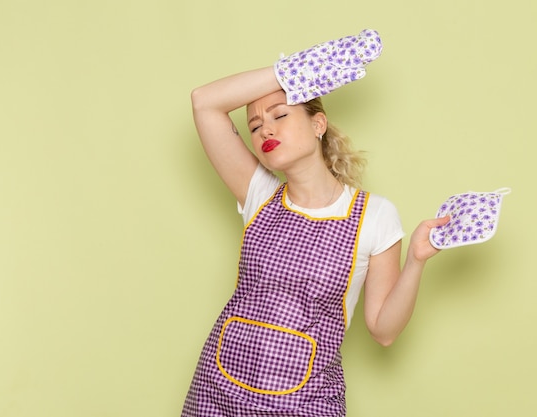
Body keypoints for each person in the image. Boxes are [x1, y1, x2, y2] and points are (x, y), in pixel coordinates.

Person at [181, 29, 450, 417]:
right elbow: (203, 101)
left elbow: (384, 330)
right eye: (254, 127)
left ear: (318, 124)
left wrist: (417, 261)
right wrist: (292, 72)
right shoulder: (258, 192)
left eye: (280, 115)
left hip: (305, 402)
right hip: (219, 392)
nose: (265, 130)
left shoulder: (374, 216)